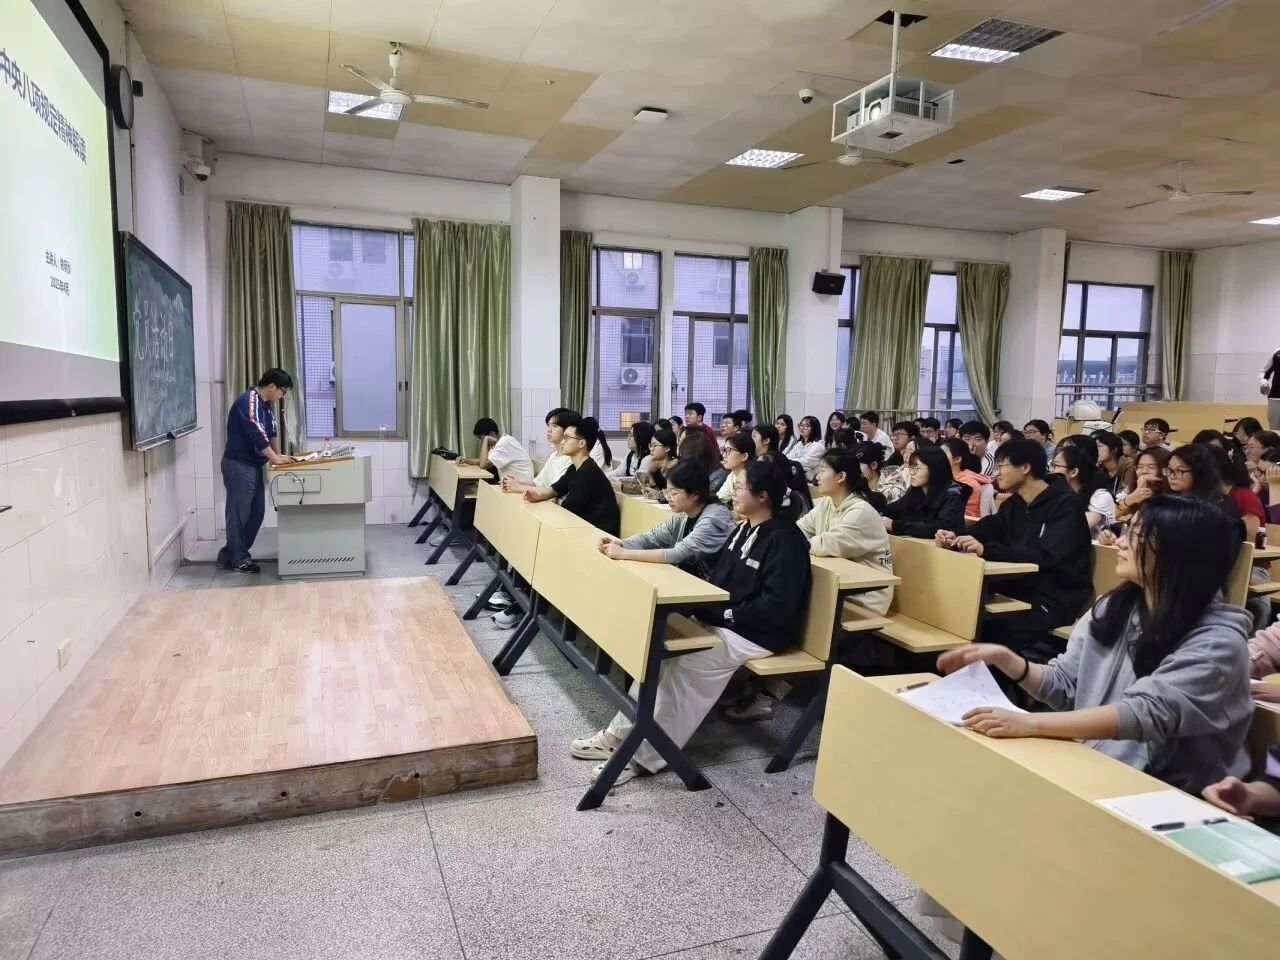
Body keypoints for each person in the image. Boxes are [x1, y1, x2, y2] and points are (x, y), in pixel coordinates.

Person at [937, 495, 1252, 795]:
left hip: (1166, 794)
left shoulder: (1218, 643)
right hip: (1095, 763)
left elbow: (1143, 714)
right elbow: (1065, 685)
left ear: (1179, 553)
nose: (1121, 542)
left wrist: (1029, 722)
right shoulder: (1114, 607)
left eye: (1137, 535)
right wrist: (1007, 660)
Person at [570, 461, 812, 785]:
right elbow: (720, 581)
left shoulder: (786, 541)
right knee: (659, 654)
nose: (732, 492)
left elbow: (776, 608)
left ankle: (642, 756)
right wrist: (706, 609)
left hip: (757, 634)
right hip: (728, 621)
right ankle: (619, 735)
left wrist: (723, 615)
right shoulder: (745, 529)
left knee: (687, 664)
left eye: (740, 487)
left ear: (763, 496)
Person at [726, 447, 898, 724]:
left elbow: (821, 545)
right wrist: (786, 541)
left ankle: (768, 695)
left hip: (865, 598)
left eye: (822, 470)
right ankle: (753, 686)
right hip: (835, 589)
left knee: (794, 618)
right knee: (780, 605)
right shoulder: (827, 504)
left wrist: (784, 546)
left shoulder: (860, 512)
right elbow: (798, 530)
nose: (816, 476)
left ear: (841, 477)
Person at [936, 438, 1092, 658]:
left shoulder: (1066, 506)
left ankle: (996, 677)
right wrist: (956, 537)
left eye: (1002, 466)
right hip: (1018, 588)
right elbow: (987, 528)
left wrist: (986, 549)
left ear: (1025, 468)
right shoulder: (1015, 503)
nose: (996, 473)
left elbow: (1045, 556)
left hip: (1054, 597)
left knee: (991, 629)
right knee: (961, 614)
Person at [598, 461, 734, 580]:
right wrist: (622, 544)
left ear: (694, 494)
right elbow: (651, 538)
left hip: (719, 589)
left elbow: (678, 554)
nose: (668, 497)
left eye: (674, 493)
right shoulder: (684, 514)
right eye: (667, 492)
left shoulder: (714, 518)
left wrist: (623, 553)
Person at [218, 367, 293, 573]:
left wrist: (278, 457)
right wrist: (274, 458)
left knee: (257, 512)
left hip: (253, 465)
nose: (282, 396)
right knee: (239, 514)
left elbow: (272, 431)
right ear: (272, 386)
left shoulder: (266, 406)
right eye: (282, 391)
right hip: (238, 465)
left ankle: (230, 555)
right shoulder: (249, 400)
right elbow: (256, 433)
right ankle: (238, 559)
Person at [523, 416, 620, 536]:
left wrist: (556, 500)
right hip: (583, 528)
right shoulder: (575, 467)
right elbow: (555, 489)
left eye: (567, 438)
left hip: (600, 535)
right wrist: (537, 495)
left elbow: (568, 508)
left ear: (581, 443)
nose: (562, 442)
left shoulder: (588, 472)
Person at [882, 445, 968, 539]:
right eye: (911, 467)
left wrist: (895, 525)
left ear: (934, 469)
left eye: (917, 468)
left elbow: (939, 527)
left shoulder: (953, 495)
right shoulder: (917, 490)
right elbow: (896, 508)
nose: (912, 473)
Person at [1164, 444, 1245, 542]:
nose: (1172, 476)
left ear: (1198, 472)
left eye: (1179, 470)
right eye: (1169, 469)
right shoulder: (1170, 502)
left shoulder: (1219, 511)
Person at [502, 408, 579, 493]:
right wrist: (515, 483)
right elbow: (538, 483)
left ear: (568, 430)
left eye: (554, 426)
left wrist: (518, 487)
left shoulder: (571, 459)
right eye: (548, 425)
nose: (549, 430)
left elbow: (552, 491)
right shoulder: (553, 456)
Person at [1050, 444, 1115, 533]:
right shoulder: (1061, 493)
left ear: (1073, 472)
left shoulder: (1101, 496)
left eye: (1056, 465)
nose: (1051, 471)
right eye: (1052, 465)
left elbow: (1072, 529)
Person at [460, 417, 534, 484]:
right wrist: (465, 460)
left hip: (522, 485)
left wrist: (486, 439)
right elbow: (483, 461)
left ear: (492, 434)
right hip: (513, 483)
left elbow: (483, 465)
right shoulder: (500, 443)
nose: (482, 442)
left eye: (482, 438)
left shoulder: (504, 443)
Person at [1115, 446, 1169, 524]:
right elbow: (1110, 515)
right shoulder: (1134, 488)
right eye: (1140, 467)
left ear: (1165, 471)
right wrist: (1132, 497)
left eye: (1151, 467)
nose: (1144, 471)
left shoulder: (1170, 497)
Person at [941, 437, 992, 519]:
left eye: (943, 454)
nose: (938, 457)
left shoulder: (968, 483)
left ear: (957, 459)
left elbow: (961, 514)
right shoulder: (942, 477)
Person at [853, 440, 905, 510]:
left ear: (873, 465)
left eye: (860, 464)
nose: (856, 468)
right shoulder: (859, 485)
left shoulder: (890, 490)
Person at [634, 424, 679, 500]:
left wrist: (654, 473)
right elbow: (643, 485)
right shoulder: (654, 463)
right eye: (651, 445)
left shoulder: (676, 467)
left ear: (667, 448)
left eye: (655, 445)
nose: (651, 449)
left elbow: (673, 492)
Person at [1093, 430, 1136, 500]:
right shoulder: (1099, 467)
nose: (1096, 450)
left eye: (1100, 446)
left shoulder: (1129, 466)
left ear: (1115, 449)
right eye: (1096, 446)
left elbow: (1126, 494)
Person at [717, 433, 755, 508]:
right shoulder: (732, 475)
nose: (724, 455)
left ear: (744, 456)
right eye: (724, 450)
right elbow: (720, 499)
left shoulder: (752, 478)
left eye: (728, 450)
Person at [787, 415, 826, 481]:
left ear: (814, 428)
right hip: (797, 476)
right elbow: (788, 457)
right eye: (801, 425)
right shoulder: (799, 443)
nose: (802, 428)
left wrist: (790, 461)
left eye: (807, 426)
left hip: (811, 480)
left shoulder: (818, 446)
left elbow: (806, 462)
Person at [1262, 346, 1280, 429]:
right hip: (1275, 398)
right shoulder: (1277, 353)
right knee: (1275, 429)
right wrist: (1263, 382)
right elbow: (1265, 371)